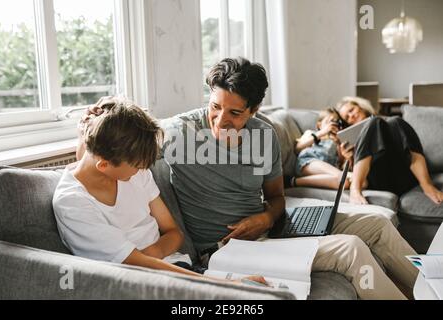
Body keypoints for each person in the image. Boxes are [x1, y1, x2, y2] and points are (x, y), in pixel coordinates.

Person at [85, 59, 419, 299]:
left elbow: (276, 196)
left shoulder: (264, 134)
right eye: (215, 107)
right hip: (225, 248)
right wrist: (96, 117)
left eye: (234, 113)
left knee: (377, 225)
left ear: (255, 110)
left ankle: (431, 292)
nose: (220, 121)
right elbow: (125, 137)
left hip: (269, 229)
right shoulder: (179, 132)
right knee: (349, 249)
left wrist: (266, 216)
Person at [53, 97, 267, 285]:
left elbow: (174, 233)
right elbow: (135, 267)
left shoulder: (131, 170)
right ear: (104, 165)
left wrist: (151, 253)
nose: (142, 169)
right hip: (147, 284)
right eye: (136, 165)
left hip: (179, 269)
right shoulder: (72, 203)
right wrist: (229, 285)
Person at [337, 96, 443, 205]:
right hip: (379, 181)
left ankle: (427, 185)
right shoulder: (351, 141)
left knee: (395, 121)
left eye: (351, 110)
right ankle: (355, 190)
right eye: (347, 117)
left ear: (361, 107)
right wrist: (349, 158)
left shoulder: (388, 123)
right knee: (374, 122)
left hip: (404, 175)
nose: (351, 116)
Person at [284, 108, 354, 190]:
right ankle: (292, 181)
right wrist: (322, 133)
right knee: (343, 179)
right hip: (309, 161)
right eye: (330, 122)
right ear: (319, 125)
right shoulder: (312, 133)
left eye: (337, 122)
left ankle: (293, 181)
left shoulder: (338, 140)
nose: (333, 125)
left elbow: (342, 163)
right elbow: (298, 148)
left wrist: (339, 143)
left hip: (330, 170)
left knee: (345, 183)